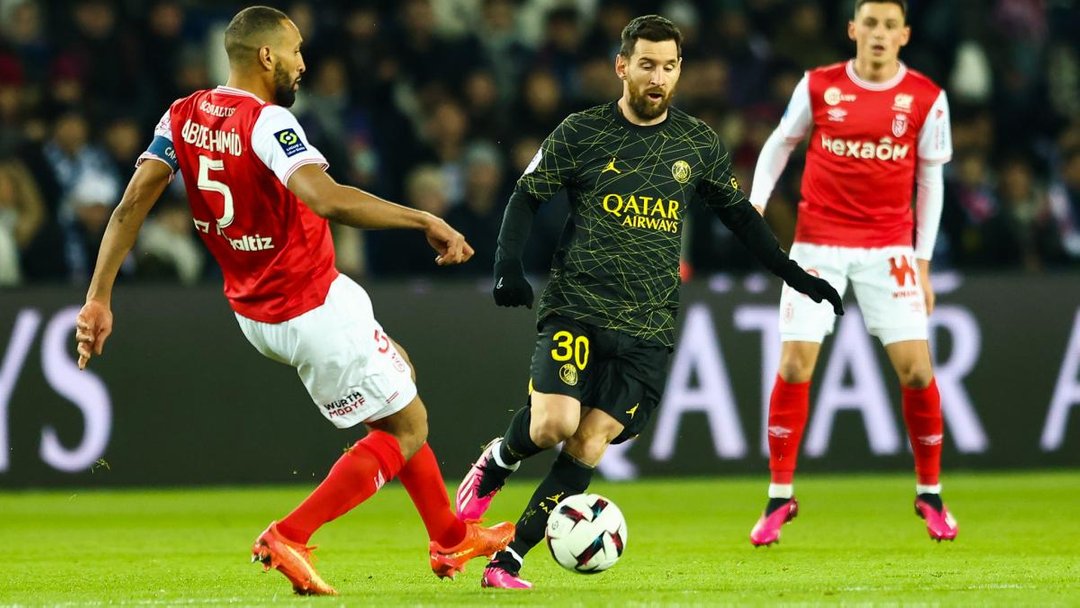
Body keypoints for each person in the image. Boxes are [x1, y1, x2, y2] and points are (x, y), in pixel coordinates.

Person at [73, 6, 513, 597]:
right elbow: (325, 198)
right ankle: (290, 534)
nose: (303, 63)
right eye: (296, 50)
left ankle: (449, 535)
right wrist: (424, 219)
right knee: (409, 427)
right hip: (310, 304)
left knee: (398, 377)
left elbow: (131, 205)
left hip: (256, 309)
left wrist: (98, 297)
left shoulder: (182, 114)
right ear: (266, 56)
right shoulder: (268, 123)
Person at [453, 15, 844, 590]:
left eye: (668, 67)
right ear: (622, 67)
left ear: (679, 71)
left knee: (589, 442)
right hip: (579, 307)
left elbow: (741, 218)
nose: (657, 78)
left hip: (649, 328)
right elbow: (526, 195)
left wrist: (793, 274)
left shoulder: (697, 143)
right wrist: (506, 267)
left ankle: (506, 562)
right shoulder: (582, 131)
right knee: (554, 424)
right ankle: (499, 460)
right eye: (646, 65)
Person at [746, 0, 957, 546]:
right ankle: (779, 497)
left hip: (889, 250)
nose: (879, 33)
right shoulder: (819, 85)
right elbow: (780, 143)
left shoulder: (927, 98)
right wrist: (755, 206)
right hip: (818, 244)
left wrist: (923, 264)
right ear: (852, 29)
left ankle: (930, 494)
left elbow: (930, 183)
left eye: (890, 26)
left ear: (904, 34)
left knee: (916, 371)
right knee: (794, 362)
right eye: (870, 24)